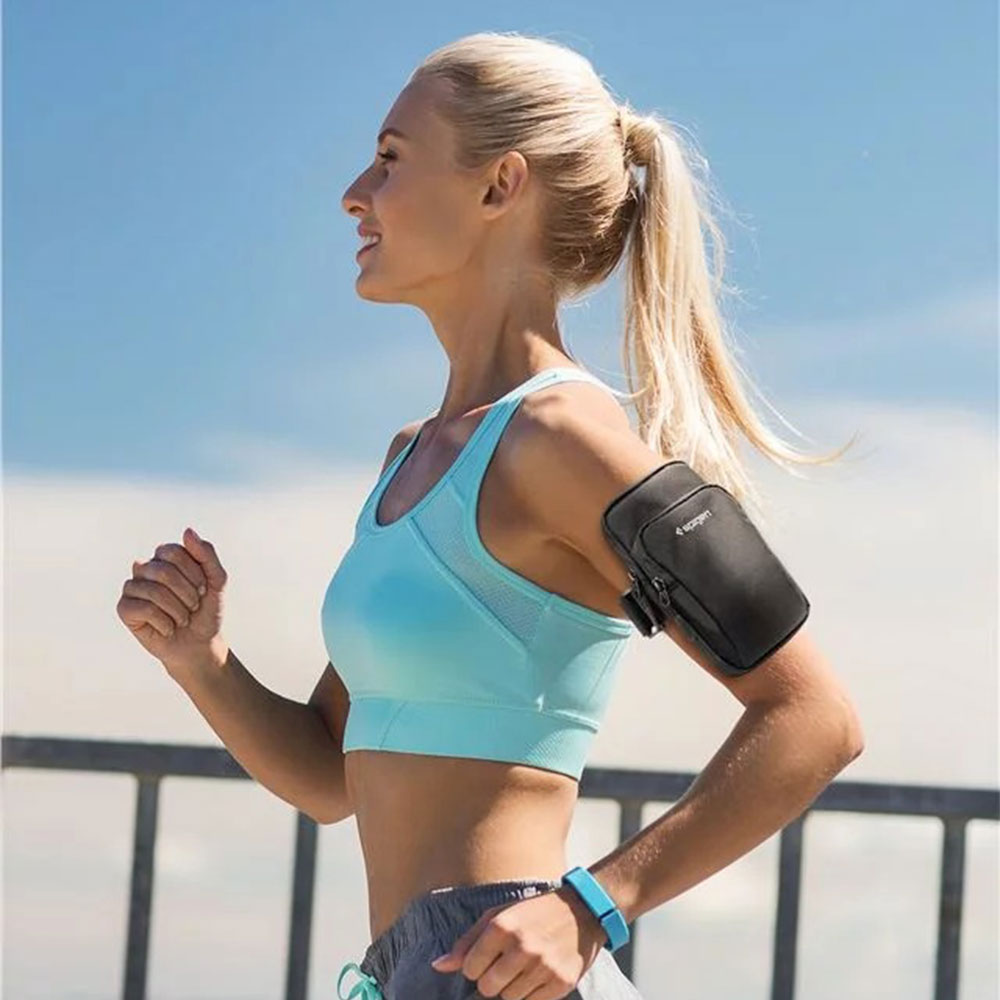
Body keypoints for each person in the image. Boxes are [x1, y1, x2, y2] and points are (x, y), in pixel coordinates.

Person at [118, 30, 864, 1000]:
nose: (354, 193)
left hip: (502, 966)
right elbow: (329, 777)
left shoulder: (566, 439)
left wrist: (595, 904)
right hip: (408, 974)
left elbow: (816, 716)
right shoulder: (412, 458)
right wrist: (200, 659)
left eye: (390, 159)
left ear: (500, 185)